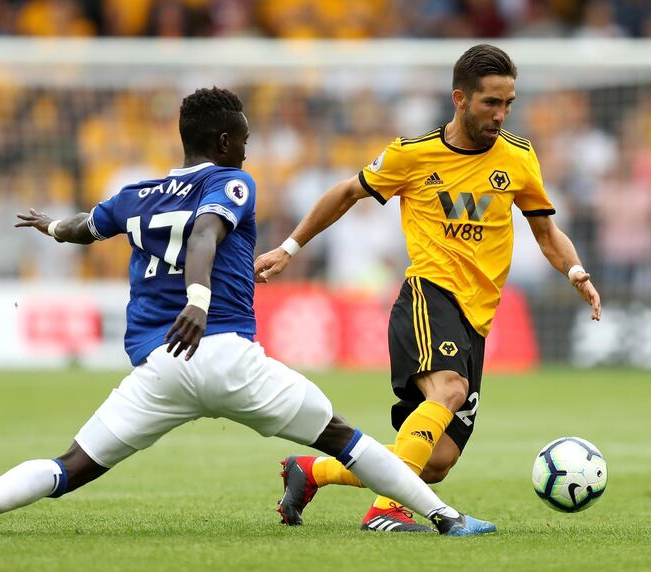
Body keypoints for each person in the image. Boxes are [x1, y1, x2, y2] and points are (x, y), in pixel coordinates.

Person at [0, 87, 494, 537]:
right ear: (226, 143)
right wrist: (199, 302)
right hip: (228, 355)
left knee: (71, 464)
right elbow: (206, 234)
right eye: (246, 141)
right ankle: (447, 518)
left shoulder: (135, 195)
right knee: (344, 438)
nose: (248, 151)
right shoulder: (232, 183)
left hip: (161, 368)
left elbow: (82, 228)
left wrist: (49, 226)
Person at [255, 45, 602, 533]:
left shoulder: (519, 158)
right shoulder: (412, 154)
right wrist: (289, 248)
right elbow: (346, 193)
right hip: (428, 294)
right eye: (490, 103)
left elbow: (547, 232)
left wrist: (575, 272)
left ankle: (312, 471)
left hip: (477, 317)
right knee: (449, 389)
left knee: (436, 461)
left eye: (508, 103)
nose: (500, 115)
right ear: (460, 98)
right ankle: (387, 510)